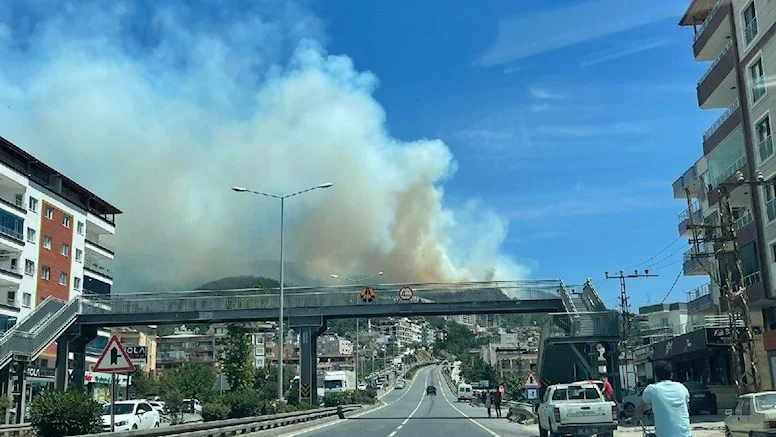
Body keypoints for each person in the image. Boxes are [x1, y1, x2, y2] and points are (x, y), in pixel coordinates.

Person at [629, 361, 691, 437]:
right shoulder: (682, 387)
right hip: (686, 434)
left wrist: (633, 419)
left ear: (656, 376)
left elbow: (641, 409)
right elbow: (687, 408)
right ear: (671, 374)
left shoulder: (652, 389)